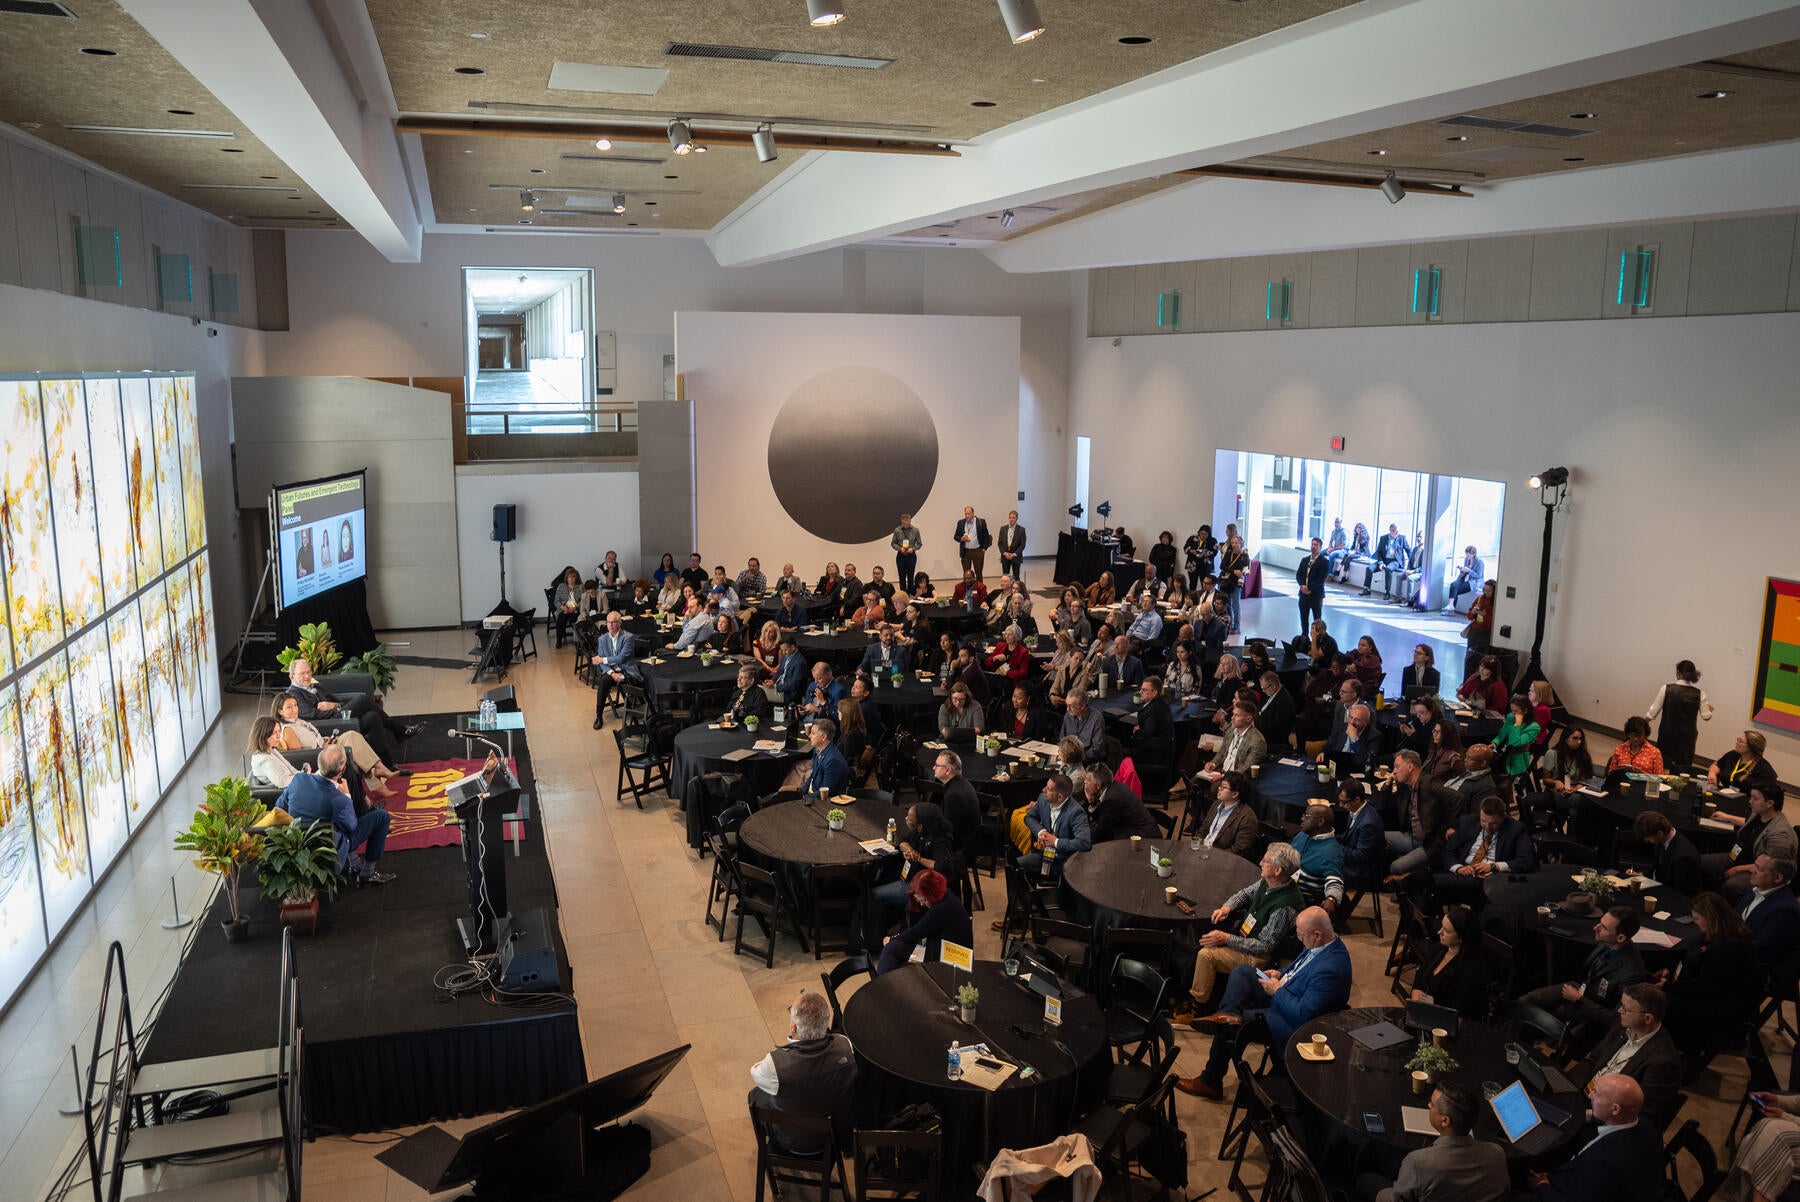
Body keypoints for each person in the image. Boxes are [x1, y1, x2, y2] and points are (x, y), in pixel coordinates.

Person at [1175, 906, 1351, 1099]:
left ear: (1317, 934)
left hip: (1292, 1021)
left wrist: (1277, 990)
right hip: (1285, 991)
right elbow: (1299, 967)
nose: (1300, 939)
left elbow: (1304, 1014)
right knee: (1242, 972)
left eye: (1301, 936)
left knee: (1230, 1028)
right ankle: (1228, 1014)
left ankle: (1210, 1081)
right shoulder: (1322, 943)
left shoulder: (1331, 969)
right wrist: (1280, 974)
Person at [1182, 844, 1305, 1012]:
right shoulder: (1268, 882)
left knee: (1206, 955)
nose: (1260, 863)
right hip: (1244, 937)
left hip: (1258, 956)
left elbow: (1265, 946)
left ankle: (1198, 1005)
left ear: (1277, 870)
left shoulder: (1284, 907)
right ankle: (1187, 988)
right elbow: (1245, 894)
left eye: (1265, 861)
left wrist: (1226, 939)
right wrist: (1227, 907)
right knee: (1204, 938)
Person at [1356, 1079, 1506, 1202]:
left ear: (1445, 1121)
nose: (1428, 1106)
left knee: (1365, 1178)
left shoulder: (1419, 1163)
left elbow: (1397, 1199)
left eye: (1432, 1105)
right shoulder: (1497, 1153)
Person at [748, 990, 857, 1155]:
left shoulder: (774, 1066)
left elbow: (755, 1072)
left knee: (755, 1095)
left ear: (793, 1026)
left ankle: (768, 1150)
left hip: (793, 1143)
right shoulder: (845, 1047)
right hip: (833, 1137)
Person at [1519, 906, 1647, 1043]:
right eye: (1599, 922)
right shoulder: (1609, 942)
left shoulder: (1631, 974)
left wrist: (1579, 1000)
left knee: (1542, 1019)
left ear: (1620, 937)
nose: (1595, 928)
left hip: (1590, 1010)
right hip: (1579, 990)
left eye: (1603, 927)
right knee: (1525, 1001)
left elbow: (1616, 1020)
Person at [1526, 1075, 1663, 1202]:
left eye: (1597, 1093)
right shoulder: (1645, 1125)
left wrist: (1542, 1185)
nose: (1590, 1095)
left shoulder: (1604, 1164)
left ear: (1615, 1109)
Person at [1653, 891, 1760, 1051]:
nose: (1696, 923)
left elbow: (1705, 987)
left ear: (1710, 918)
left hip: (1714, 1010)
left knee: (1653, 1002)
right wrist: (1671, 971)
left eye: (1697, 919)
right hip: (1702, 995)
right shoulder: (1715, 936)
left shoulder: (1730, 949)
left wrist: (1667, 987)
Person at [274, 744, 393, 885]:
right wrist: (347, 795)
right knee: (381, 817)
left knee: (337, 821)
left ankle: (355, 865)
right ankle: (367, 873)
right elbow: (352, 826)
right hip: (330, 853)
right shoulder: (340, 799)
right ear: (342, 770)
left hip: (297, 847)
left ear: (318, 764)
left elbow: (279, 806)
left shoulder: (298, 779)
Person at [284, 658, 417, 761]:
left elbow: (336, 701)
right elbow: (313, 715)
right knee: (363, 699)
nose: (307, 676)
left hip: (337, 714)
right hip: (328, 725)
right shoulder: (293, 695)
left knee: (372, 717)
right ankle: (398, 730)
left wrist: (335, 706)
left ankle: (388, 764)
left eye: (309, 672)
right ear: (292, 677)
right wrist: (334, 710)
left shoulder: (315, 684)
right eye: (302, 674)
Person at [1420, 796, 1536, 909]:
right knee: (1425, 889)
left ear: (1503, 817)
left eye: (1493, 823)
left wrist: (1494, 866)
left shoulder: (1516, 829)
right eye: (1484, 821)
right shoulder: (1468, 822)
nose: (1487, 827)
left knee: (1427, 885)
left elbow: (1527, 860)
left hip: (1489, 879)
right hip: (1462, 872)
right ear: (1480, 813)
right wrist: (1459, 868)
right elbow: (1448, 852)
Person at [876, 868, 972, 975]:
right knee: (891, 949)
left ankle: (883, 984)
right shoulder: (947, 897)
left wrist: (893, 938)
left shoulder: (942, 909)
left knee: (898, 965)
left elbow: (917, 931)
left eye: (924, 900)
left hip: (946, 963)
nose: (922, 904)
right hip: (937, 949)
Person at [1706, 784, 1796, 893]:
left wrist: (1737, 869)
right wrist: (1727, 817)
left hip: (1757, 870)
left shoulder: (1781, 836)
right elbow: (1747, 822)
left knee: (1732, 886)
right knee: (1700, 862)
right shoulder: (1759, 814)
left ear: (1770, 803)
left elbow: (1771, 865)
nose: (1750, 801)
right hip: (1737, 857)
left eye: (1755, 798)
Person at [1408, 905, 1492, 1020]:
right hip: (1426, 1014)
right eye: (1441, 927)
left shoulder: (1471, 970)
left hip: (1447, 1024)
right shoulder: (1439, 948)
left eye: (1446, 931)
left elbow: (1458, 1011)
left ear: (1461, 937)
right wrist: (1416, 997)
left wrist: (1424, 1012)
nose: (1439, 932)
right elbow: (1420, 977)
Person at [1379, 750, 1453, 877]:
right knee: (1374, 835)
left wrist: (1453, 826)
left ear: (1410, 767)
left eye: (1397, 766)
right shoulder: (1405, 786)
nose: (1394, 771)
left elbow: (1457, 799)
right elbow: (1383, 805)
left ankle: (1410, 880)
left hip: (1429, 845)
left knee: (1396, 866)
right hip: (1411, 837)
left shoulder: (1429, 783)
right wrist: (1388, 782)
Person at [873, 801, 960, 910]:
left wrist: (919, 858)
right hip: (911, 874)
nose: (905, 819)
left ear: (920, 824)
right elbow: (902, 841)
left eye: (909, 819)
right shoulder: (919, 831)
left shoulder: (941, 841)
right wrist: (910, 850)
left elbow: (941, 866)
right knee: (877, 879)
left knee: (875, 893)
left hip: (924, 886)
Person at [1738, 855, 1800, 985]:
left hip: (1759, 971)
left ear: (1777, 877)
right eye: (1754, 865)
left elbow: (1762, 951)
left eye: (1759, 869)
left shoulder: (1785, 911)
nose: (1752, 870)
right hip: (1739, 952)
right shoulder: (1753, 891)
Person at [1646, 659, 1714, 774]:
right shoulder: (1700, 693)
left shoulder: (1666, 689)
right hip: (1688, 736)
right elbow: (1706, 717)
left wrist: (1644, 722)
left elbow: (1653, 712)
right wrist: (1710, 710)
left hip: (1667, 734)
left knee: (1662, 766)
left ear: (1678, 673)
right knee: (1683, 769)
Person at [1019, 774, 1090, 879]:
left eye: (1048, 789)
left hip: (1065, 862)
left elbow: (1084, 843)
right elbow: (1029, 817)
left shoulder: (1076, 813)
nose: (1044, 790)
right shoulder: (1043, 799)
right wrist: (1041, 831)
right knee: (1015, 866)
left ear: (1060, 796)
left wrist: (1056, 842)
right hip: (1046, 855)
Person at [1084, 762, 1161, 843]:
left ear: (1098, 785)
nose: (1085, 782)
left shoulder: (1111, 799)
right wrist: (1092, 802)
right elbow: (1101, 822)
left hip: (1145, 839)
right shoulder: (1113, 786)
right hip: (1134, 830)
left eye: (1087, 780)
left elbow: (1100, 833)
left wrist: (1081, 832)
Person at [1630, 810, 1702, 894]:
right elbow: (1658, 869)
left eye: (1648, 837)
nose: (1646, 840)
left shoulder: (1683, 857)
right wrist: (1642, 875)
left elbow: (1681, 892)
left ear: (1659, 833)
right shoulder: (1661, 840)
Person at [1291, 805, 1346, 914]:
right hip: (1284, 886)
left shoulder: (1332, 852)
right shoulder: (1303, 835)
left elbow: (1334, 880)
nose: (1302, 818)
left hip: (1300, 901)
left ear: (1320, 821)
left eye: (1306, 816)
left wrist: (1331, 898)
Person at [1192, 771, 1259, 857]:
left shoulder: (1247, 818)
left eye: (1223, 787)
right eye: (1220, 786)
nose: (1219, 789)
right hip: (1203, 851)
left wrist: (1212, 856)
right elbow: (1203, 829)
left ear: (1234, 794)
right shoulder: (1216, 804)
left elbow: (1238, 851)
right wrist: (1198, 846)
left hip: (1221, 859)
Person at [1337, 779, 1386, 886]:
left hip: (1358, 869)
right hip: (1352, 857)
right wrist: (1332, 838)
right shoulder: (1357, 809)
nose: (1340, 805)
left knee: (1318, 868)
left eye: (1344, 802)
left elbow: (1360, 856)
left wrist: (1337, 847)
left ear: (1357, 800)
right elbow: (1348, 835)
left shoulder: (1369, 824)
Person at [1490, 696, 1541, 791]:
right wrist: (1495, 743)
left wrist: (1517, 725)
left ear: (1525, 711)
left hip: (1515, 759)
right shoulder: (1510, 717)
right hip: (1503, 753)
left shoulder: (1534, 727)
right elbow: (1501, 735)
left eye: (1516, 711)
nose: (1513, 714)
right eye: (1512, 710)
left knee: (1488, 764)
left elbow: (1515, 743)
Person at [1710, 729, 1779, 793]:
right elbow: (1716, 765)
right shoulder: (1732, 755)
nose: (1736, 742)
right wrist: (1712, 773)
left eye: (1741, 741)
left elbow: (1767, 794)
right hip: (1724, 795)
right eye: (1738, 739)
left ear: (1751, 747)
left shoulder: (1764, 769)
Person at [801, 720, 848, 796]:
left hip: (823, 802)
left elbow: (825, 793)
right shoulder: (817, 750)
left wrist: (805, 798)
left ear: (823, 737)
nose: (809, 736)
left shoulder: (833, 761)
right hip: (813, 793)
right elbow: (813, 775)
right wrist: (801, 792)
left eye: (813, 733)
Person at [1363, 524, 1409, 598]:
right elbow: (1379, 552)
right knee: (1369, 568)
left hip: (1395, 561)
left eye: (1397, 531)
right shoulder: (1383, 538)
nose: (1397, 533)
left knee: (1388, 569)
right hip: (1384, 560)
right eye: (1394, 531)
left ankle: (1387, 592)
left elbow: (1408, 551)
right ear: (1390, 531)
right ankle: (1367, 589)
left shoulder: (1402, 538)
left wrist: (1411, 565)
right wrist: (1381, 562)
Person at [1059, 690, 1105, 760]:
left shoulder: (1096, 718)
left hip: (1088, 760)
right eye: (1066, 705)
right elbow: (1062, 739)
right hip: (1070, 758)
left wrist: (1078, 757)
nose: (1067, 709)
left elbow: (1097, 749)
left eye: (1071, 706)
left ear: (1082, 706)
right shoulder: (1068, 716)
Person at [1295, 536, 1329, 630]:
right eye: (1312, 544)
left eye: (1316, 545)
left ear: (1320, 547)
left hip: (1316, 595)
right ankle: (1304, 637)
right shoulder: (1304, 560)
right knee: (1303, 618)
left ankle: (1317, 639)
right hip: (1303, 595)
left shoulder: (1324, 562)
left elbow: (1321, 579)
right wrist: (1302, 586)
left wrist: (1309, 588)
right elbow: (1299, 575)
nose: (1313, 547)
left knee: (1317, 620)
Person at [1217, 536, 1249, 633]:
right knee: (1227, 604)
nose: (1234, 545)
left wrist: (1233, 571)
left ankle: (1237, 626)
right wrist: (1233, 571)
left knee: (1236, 605)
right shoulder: (1229, 553)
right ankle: (1229, 624)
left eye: (1236, 543)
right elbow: (1222, 566)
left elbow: (1243, 568)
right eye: (1233, 543)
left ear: (1241, 544)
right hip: (1226, 581)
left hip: (1236, 583)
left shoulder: (1244, 555)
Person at [552, 566, 586, 646]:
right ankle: (559, 641)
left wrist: (575, 607)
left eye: (574, 577)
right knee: (560, 620)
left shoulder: (581, 587)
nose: (571, 579)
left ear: (577, 578)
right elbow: (556, 601)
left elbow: (584, 601)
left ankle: (578, 641)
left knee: (574, 620)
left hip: (576, 610)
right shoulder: (561, 586)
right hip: (564, 609)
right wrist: (562, 607)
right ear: (566, 577)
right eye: (570, 577)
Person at [954, 506, 991, 579]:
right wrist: (961, 538)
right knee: (966, 574)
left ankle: (980, 590)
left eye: (969, 513)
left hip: (978, 551)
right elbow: (955, 536)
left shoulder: (981, 522)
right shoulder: (961, 523)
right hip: (965, 552)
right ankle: (967, 590)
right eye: (966, 514)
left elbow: (986, 536)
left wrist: (983, 549)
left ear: (973, 513)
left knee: (979, 573)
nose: (967, 515)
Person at [1444, 545, 1484, 609]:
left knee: (1455, 590)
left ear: (1473, 554)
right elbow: (1465, 570)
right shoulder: (1466, 559)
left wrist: (1469, 571)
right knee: (1453, 585)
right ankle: (1450, 606)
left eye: (1468, 555)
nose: (1467, 557)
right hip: (1464, 578)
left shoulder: (1479, 561)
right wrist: (1462, 569)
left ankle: (1450, 607)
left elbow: (1479, 575)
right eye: (1466, 555)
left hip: (1473, 582)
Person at [1464, 579, 1496, 653]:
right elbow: (1469, 616)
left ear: (1494, 591)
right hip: (1474, 631)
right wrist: (1473, 612)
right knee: (1470, 653)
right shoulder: (1480, 598)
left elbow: (1494, 623)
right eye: (1485, 590)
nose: (1486, 592)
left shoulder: (1496, 603)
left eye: (1489, 591)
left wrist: (1485, 615)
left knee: (1481, 655)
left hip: (1486, 634)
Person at [997, 509, 1027, 580]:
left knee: (1016, 576)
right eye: (1010, 517)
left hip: (1016, 557)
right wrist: (1004, 553)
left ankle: (1016, 590)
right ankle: (1006, 590)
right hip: (1005, 556)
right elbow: (1000, 543)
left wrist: (1014, 554)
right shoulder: (1003, 529)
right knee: (1005, 577)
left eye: (1013, 518)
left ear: (1017, 518)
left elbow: (1022, 545)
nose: (1011, 519)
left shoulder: (1021, 530)